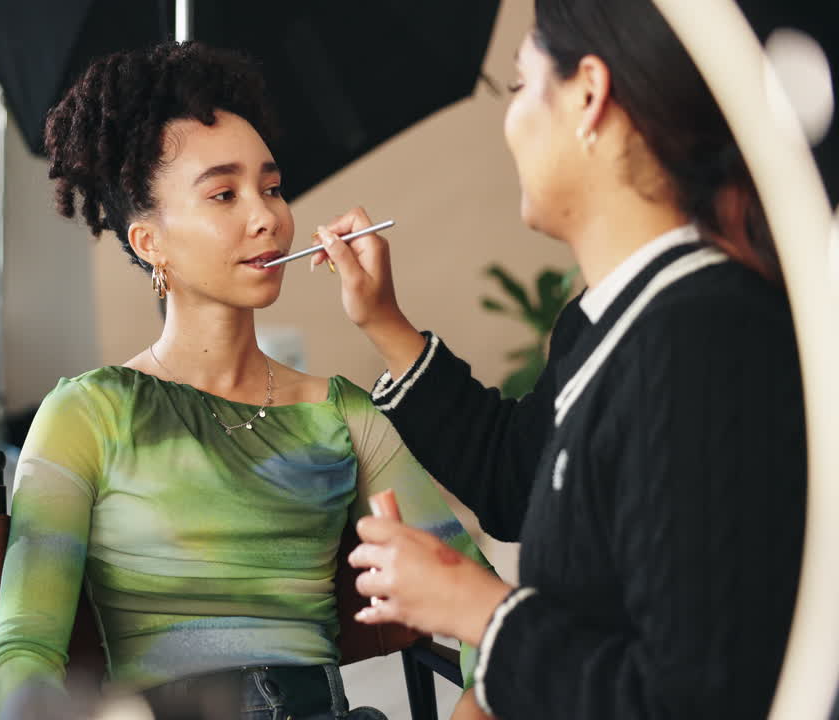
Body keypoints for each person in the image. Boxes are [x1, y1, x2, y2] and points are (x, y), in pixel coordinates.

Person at [314, 1, 807, 718]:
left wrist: (481, 610)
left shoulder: (706, 343)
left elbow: (698, 695)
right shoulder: (607, 321)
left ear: (587, 95)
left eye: (519, 86)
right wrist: (383, 321)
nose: (509, 123)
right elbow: (517, 481)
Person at [0, 42, 490, 720]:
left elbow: (486, 612)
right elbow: (20, 653)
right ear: (149, 243)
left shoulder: (342, 414)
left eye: (273, 187)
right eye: (224, 194)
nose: (268, 217)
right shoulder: (89, 413)